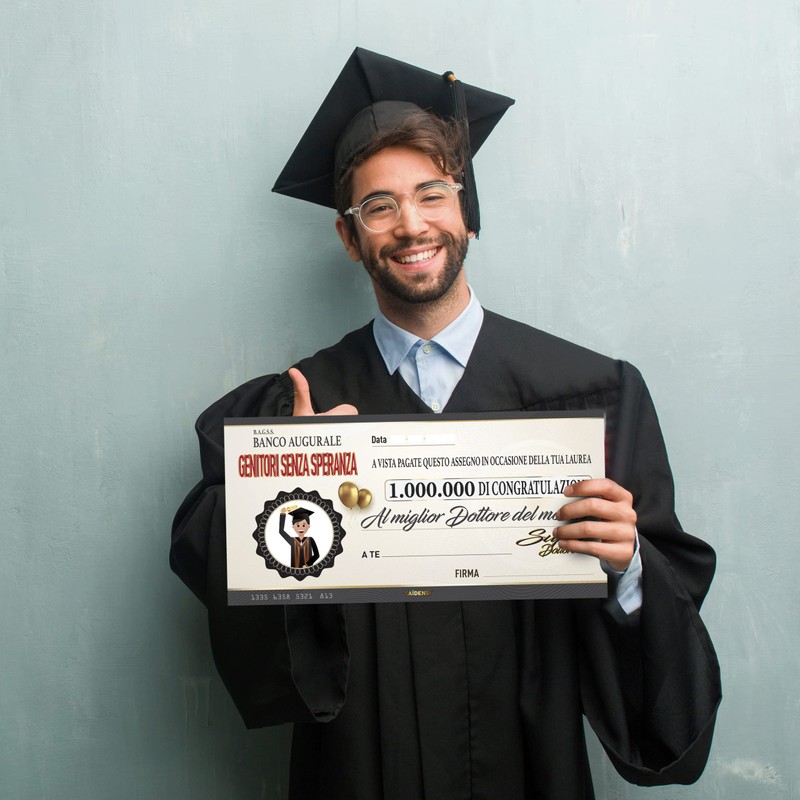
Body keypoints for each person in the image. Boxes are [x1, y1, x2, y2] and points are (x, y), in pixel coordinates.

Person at [171, 47, 721, 800]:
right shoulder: (302, 407)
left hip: (530, 767)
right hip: (361, 769)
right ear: (350, 237)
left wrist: (628, 566)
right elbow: (216, 562)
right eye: (378, 206)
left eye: (431, 194)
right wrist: (282, 483)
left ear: (466, 212)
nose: (411, 225)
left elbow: (665, 599)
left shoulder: (589, 395)